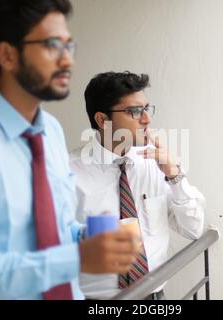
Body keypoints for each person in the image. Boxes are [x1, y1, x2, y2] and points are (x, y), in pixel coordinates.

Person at [0, 0, 137, 300]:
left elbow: (57, 228)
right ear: (8, 55)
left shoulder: (51, 131)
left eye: (69, 46)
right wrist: (76, 259)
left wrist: (87, 237)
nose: (67, 61)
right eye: (52, 45)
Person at [70, 71, 205, 300]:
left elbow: (193, 229)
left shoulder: (155, 164)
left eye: (146, 108)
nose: (146, 119)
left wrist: (174, 175)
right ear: (102, 120)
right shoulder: (66, 173)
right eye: (134, 111)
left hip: (154, 298)